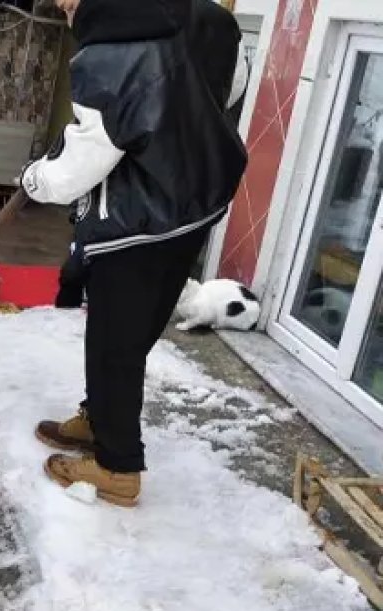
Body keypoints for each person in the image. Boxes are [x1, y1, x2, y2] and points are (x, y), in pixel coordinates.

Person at [22, 0, 247, 507]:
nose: (61, 4)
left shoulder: (109, 53)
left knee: (113, 345)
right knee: (131, 334)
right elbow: (228, 92)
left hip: (137, 221)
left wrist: (33, 178)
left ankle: (118, 466)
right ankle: (99, 418)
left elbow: (80, 166)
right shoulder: (210, 21)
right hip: (192, 207)